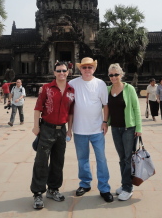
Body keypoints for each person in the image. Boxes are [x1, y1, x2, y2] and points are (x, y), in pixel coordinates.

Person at [67, 57, 113, 203]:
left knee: (101, 159)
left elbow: (106, 105)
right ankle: (85, 183)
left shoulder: (100, 84)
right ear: (79, 69)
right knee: (82, 159)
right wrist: (69, 129)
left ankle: (104, 187)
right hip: (79, 129)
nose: (87, 70)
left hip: (97, 129)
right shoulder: (72, 84)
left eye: (90, 67)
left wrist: (105, 122)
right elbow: (68, 107)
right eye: (84, 67)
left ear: (94, 68)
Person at [30, 62, 75, 210]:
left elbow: (70, 113)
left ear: (68, 72)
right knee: (41, 161)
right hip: (46, 128)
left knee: (58, 161)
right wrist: (36, 126)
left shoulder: (71, 90)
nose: (61, 73)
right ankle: (37, 193)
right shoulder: (47, 89)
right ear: (54, 72)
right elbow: (38, 109)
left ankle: (53, 189)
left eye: (64, 71)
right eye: (59, 71)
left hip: (61, 129)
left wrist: (69, 130)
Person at [107, 63, 141, 201]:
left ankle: (128, 188)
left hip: (129, 128)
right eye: (111, 75)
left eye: (116, 74)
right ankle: (124, 183)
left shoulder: (129, 89)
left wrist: (139, 128)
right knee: (122, 159)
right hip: (115, 128)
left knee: (128, 158)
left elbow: (136, 109)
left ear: (121, 74)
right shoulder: (107, 89)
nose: (114, 77)